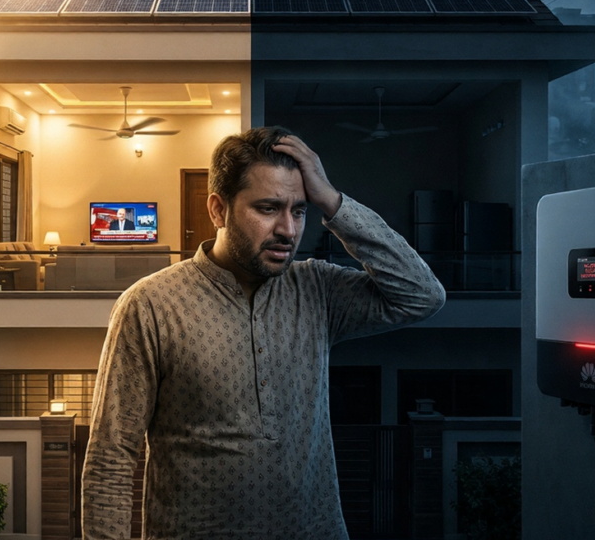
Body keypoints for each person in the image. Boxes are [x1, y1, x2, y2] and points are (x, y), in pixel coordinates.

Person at [82, 127, 446, 540]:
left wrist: (332, 202)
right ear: (218, 210)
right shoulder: (151, 305)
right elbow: (111, 457)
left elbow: (422, 295)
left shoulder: (318, 291)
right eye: (269, 208)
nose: (288, 230)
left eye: (300, 211)